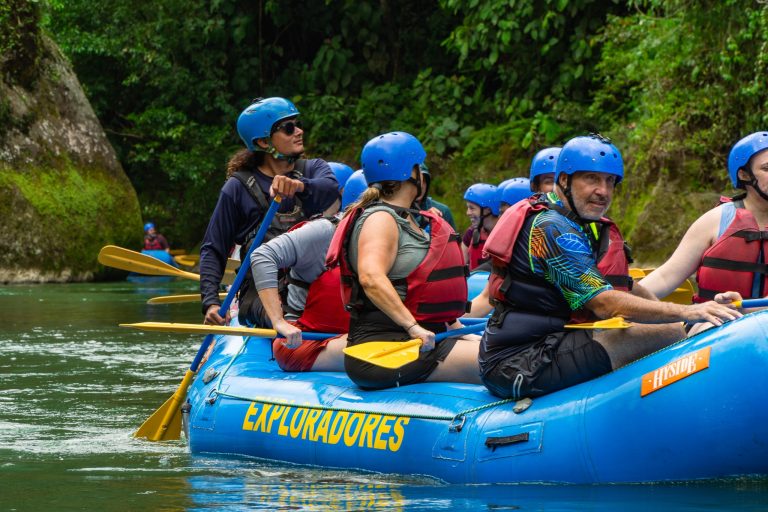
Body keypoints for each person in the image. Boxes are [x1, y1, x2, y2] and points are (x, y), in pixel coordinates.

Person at [479, 134, 741, 400]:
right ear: (564, 180)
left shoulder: (582, 222)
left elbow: (626, 284)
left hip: (551, 342)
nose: (603, 191)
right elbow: (605, 303)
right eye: (591, 179)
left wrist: (687, 318)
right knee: (661, 332)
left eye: (609, 181)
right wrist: (688, 313)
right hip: (518, 363)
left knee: (670, 329)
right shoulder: (551, 227)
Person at [326, 131, 481, 389]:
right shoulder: (380, 219)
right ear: (409, 172)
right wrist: (413, 327)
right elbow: (371, 278)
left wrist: (458, 328)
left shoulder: (407, 218)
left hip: (421, 339)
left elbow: (420, 288)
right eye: (418, 167)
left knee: (496, 347)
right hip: (385, 348)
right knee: (500, 361)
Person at [199, 97, 339, 328]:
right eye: (288, 128)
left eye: (297, 124)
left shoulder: (314, 170)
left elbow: (330, 191)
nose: (299, 131)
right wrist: (211, 302)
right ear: (264, 142)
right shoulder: (237, 188)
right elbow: (214, 249)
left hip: (314, 284)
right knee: (284, 316)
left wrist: (299, 186)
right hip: (261, 293)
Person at [641, 131, 768, 328]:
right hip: (711, 324)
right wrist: (622, 301)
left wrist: (747, 309)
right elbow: (666, 276)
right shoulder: (716, 221)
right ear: (744, 175)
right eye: (767, 168)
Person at [249, 171, 369, 372]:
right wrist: (278, 321)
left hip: (357, 333)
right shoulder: (324, 231)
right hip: (305, 340)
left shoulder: (392, 237)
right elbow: (262, 256)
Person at [462, 183, 500, 271]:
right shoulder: (471, 233)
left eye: (472, 208)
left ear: (487, 210)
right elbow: (460, 264)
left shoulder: (506, 235)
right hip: (474, 283)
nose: (468, 213)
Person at [414, 164, 457, 230]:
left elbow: (454, 239)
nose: (420, 186)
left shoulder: (443, 210)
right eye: (417, 181)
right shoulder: (397, 210)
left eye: (424, 181)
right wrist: (423, 219)